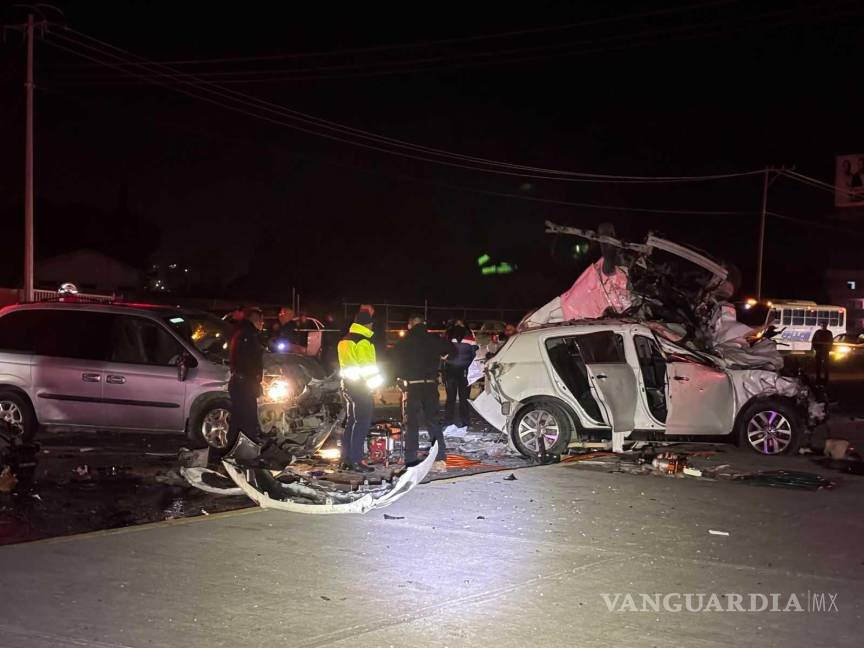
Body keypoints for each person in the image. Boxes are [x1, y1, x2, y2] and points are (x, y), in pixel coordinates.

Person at [393, 314, 454, 472]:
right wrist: (443, 358)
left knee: (412, 424)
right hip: (430, 386)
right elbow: (452, 350)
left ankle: (411, 460)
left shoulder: (405, 341)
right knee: (433, 422)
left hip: (412, 386)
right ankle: (440, 459)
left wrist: (398, 378)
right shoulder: (433, 339)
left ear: (410, 325)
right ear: (423, 324)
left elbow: (393, 361)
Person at [337, 310, 383, 473]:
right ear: (368, 324)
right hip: (361, 387)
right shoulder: (364, 342)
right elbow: (368, 369)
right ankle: (357, 459)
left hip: (347, 386)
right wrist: (376, 388)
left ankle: (346, 459)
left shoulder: (344, 340)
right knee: (362, 423)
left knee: (351, 422)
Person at [227, 307, 266, 465]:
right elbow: (250, 362)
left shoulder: (242, 334)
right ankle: (248, 457)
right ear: (256, 321)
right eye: (261, 321)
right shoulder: (249, 337)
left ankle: (232, 453)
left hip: (239, 382)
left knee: (237, 419)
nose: (263, 324)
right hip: (244, 383)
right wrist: (255, 382)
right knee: (248, 420)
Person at [443, 322, 478, 433]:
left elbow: (442, 351)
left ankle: (448, 422)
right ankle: (465, 422)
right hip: (465, 371)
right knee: (464, 399)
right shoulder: (469, 334)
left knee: (450, 399)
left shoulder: (448, 334)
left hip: (450, 370)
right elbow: (474, 353)